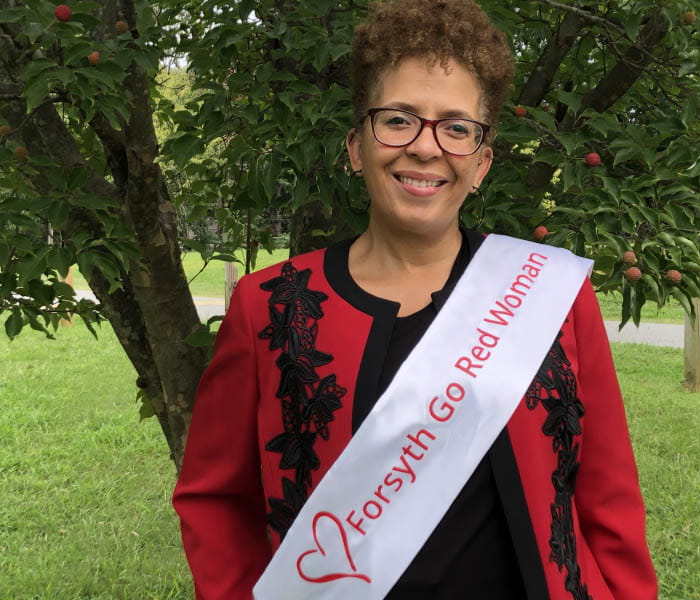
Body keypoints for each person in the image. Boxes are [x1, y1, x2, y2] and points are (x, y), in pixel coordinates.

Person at [173, 0, 658, 598]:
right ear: (357, 147)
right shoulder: (270, 306)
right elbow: (217, 500)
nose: (426, 148)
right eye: (399, 119)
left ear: (481, 162)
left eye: (456, 128)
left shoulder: (553, 294)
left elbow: (608, 500)